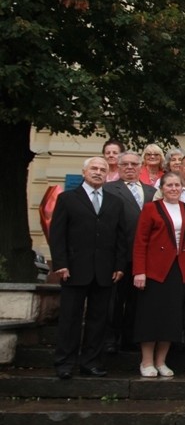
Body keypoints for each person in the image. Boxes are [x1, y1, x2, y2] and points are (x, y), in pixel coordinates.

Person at [50, 157, 126, 379]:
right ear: (84, 172)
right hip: (74, 269)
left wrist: (120, 265)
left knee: (98, 320)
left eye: (102, 170)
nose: (98, 172)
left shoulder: (114, 202)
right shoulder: (67, 199)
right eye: (94, 168)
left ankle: (90, 362)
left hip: (104, 271)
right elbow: (58, 234)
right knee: (70, 319)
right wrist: (61, 263)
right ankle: (64, 363)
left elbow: (121, 237)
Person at [131, 172, 185, 377]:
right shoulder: (151, 209)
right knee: (150, 316)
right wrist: (139, 271)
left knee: (171, 317)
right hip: (154, 270)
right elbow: (140, 241)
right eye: (170, 185)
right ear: (162, 188)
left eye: (177, 185)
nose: (174, 188)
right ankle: (147, 361)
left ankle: (161, 361)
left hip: (179, 270)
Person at [102, 151, 157, 353]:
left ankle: (130, 337)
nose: (129, 168)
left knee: (138, 301)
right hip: (119, 256)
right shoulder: (108, 189)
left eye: (134, 164)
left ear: (140, 165)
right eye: (125, 164)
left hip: (144, 258)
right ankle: (110, 339)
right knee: (114, 301)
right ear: (118, 165)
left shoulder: (152, 192)